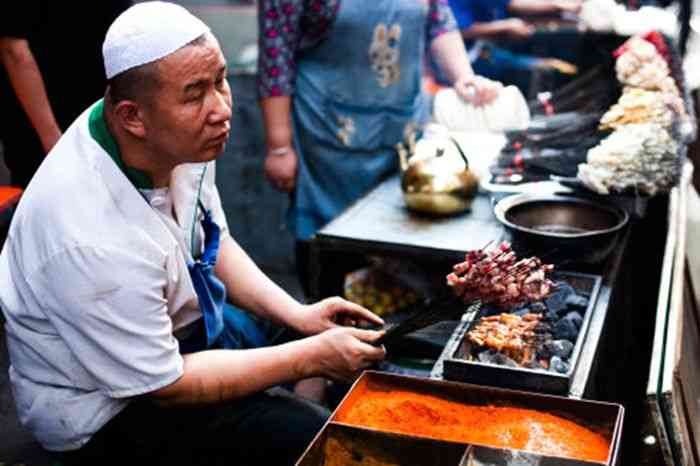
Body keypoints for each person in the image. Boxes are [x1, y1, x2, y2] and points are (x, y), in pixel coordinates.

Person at [0, 3, 386, 465]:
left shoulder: (175, 134)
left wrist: (301, 318)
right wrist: (308, 357)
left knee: (314, 331)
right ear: (133, 117)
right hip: (106, 411)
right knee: (314, 437)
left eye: (220, 80)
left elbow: (210, 236)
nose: (222, 108)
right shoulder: (87, 233)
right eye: (194, 93)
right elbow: (168, 385)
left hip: (177, 329)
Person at [257, 0, 502, 292]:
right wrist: (279, 147)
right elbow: (276, 59)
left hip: (404, 127)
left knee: (406, 239)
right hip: (328, 135)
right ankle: (327, 318)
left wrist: (464, 77)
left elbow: (439, 22)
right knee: (332, 247)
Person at [0, 2, 132, 188]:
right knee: (49, 201)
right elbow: (14, 51)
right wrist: (53, 141)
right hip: (46, 122)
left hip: (107, 113)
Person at [448, 0, 582, 92]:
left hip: (484, 48)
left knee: (555, 66)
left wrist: (555, 5)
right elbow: (458, 30)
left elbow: (511, 3)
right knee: (541, 71)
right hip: (463, 60)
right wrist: (504, 26)